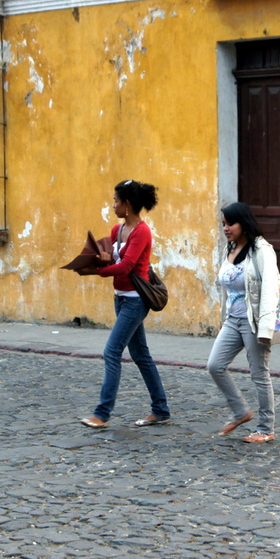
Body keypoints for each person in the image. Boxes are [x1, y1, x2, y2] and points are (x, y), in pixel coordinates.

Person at [80, 180, 171, 429]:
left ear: (127, 204)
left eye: (116, 201)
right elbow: (113, 258)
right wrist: (97, 259)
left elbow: (126, 266)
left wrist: (97, 272)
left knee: (111, 352)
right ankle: (161, 409)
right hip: (120, 298)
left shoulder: (142, 232)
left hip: (135, 301)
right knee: (141, 355)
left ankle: (102, 413)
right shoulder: (116, 230)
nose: (113, 206)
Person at [206, 202, 280, 443]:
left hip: (253, 322)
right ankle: (241, 412)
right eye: (223, 224)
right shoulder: (232, 246)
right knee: (215, 365)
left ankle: (266, 428)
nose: (226, 228)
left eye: (230, 223)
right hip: (232, 321)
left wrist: (266, 329)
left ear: (243, 223)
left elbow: (270, 289)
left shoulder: (261, 250)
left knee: (259, 374)